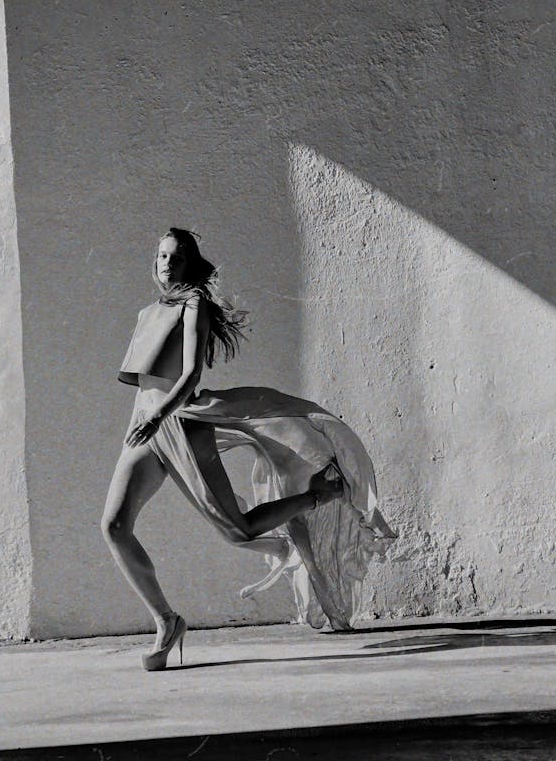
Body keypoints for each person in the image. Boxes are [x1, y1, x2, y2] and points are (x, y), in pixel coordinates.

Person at [102, 227, 397, 671]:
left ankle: (326, 494)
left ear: (190, 264)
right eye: (161, 255)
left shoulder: (194, 305)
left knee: (237, 531)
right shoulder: (149, 311)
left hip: (178, 423)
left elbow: (188, 378)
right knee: (115, 527)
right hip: (144, 427)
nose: (165, 263)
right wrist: (147, 420)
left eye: (175, 257)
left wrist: (159, 416)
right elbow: (144, 380)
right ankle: (167, 621)